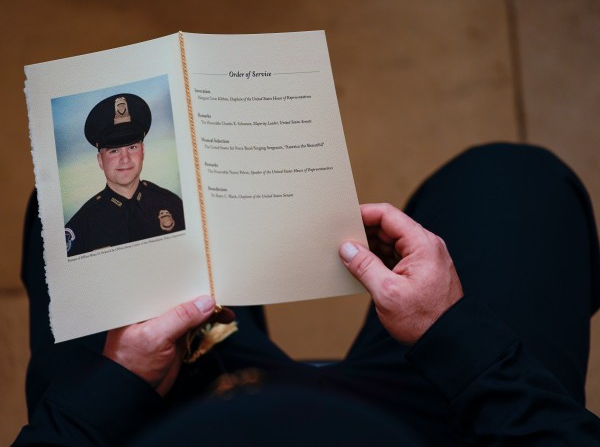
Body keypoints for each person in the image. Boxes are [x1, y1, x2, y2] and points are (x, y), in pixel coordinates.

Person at [14, 143, 600, 445]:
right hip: (443, 430)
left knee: (62, 218)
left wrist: (117, 387)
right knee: (517, 183)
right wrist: (460, 342)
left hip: (171, 415)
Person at [65, 93, 185, 257]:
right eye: (114, 151)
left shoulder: (173, 205)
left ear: (143, 151)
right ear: (100, 160)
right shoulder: (82, 226)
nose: (125, 159)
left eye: (132, 147)